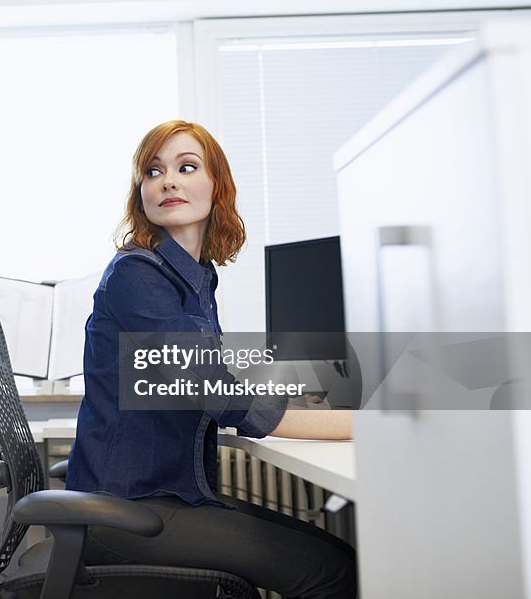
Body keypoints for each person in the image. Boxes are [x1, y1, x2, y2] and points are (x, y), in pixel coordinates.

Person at [65, 120, 356, 598]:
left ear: (217, 185)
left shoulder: (195, 278)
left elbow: (207, 375)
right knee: (331, 573)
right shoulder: (137, 275)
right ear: (141, 194)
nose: (168, 180)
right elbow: (216, 393)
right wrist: (361, 424)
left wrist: (309, 401)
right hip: (121, 512)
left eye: (186, 166)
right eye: (153, 171)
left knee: (340, 554)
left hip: (164, 498)